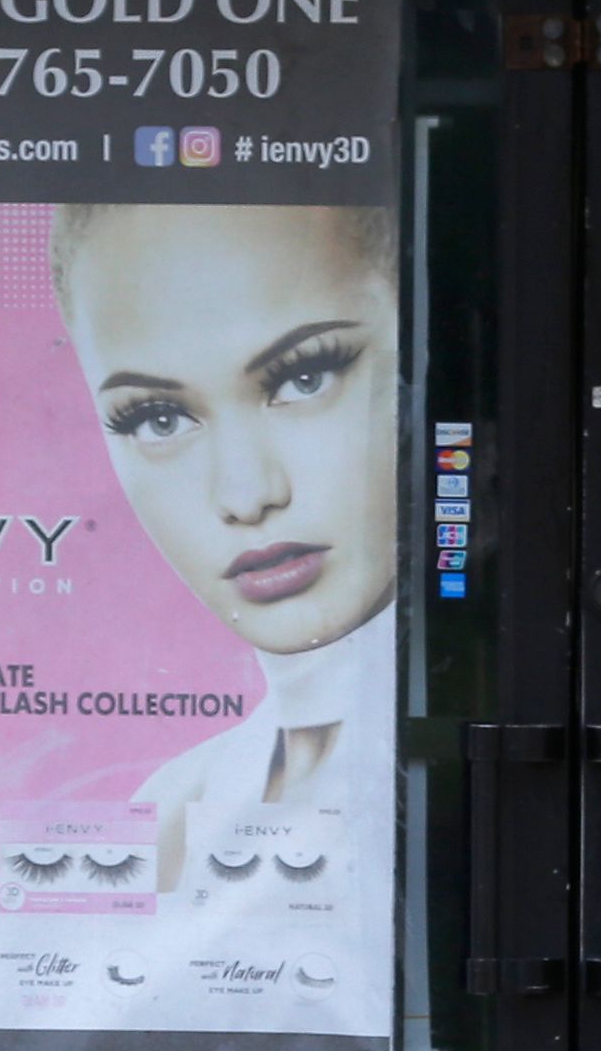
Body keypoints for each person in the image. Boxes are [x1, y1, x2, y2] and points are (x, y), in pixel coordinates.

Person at [51, 201, 397, 893]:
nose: (245, 493)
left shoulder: (473, 779)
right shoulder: (174, 810)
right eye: (158, 417)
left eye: (305, 377)